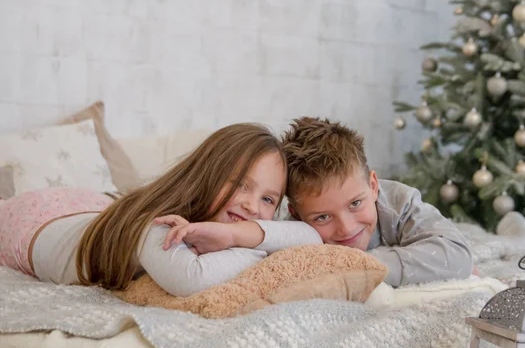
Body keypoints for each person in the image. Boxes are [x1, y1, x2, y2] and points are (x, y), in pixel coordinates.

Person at [0, 123, 322, 296]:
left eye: (268, 199)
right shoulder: (154, 225)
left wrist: (235, 234)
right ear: (207, 174)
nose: (252, 206)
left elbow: (310, 236)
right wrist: (256, 244)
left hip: (95, 207)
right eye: (239, 183)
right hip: (33, 218)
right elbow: (192, 279)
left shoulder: (223, 220)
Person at [280, 117, 473, 287]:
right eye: (323, 217)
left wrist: (354, 266)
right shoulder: (292, 233)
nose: (346, 228)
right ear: (297, 215)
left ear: (373, 186)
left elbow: (458, 257)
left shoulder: (400, 202)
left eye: (355, 204)